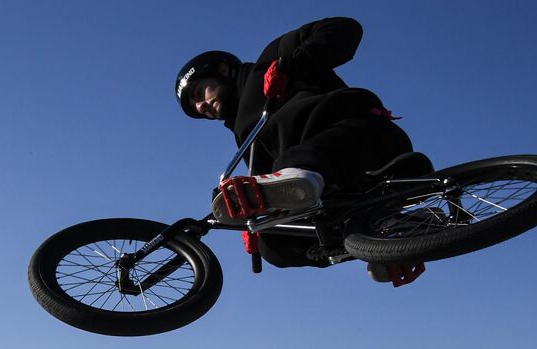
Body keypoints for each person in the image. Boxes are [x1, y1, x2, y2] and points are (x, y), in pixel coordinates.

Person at [174, 17, 421, 283]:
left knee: (296, 163)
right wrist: (256, 217)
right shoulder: (248, 136)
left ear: (223, 70)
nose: (200, 106)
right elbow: (275, 183)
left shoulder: (268, 62)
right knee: (272, 244)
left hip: (362, 137)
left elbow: (345, 29)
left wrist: (293, 66)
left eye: (199, 92)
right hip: (339, 187)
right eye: (194, 106)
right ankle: (384, 236)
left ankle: (369, 226)